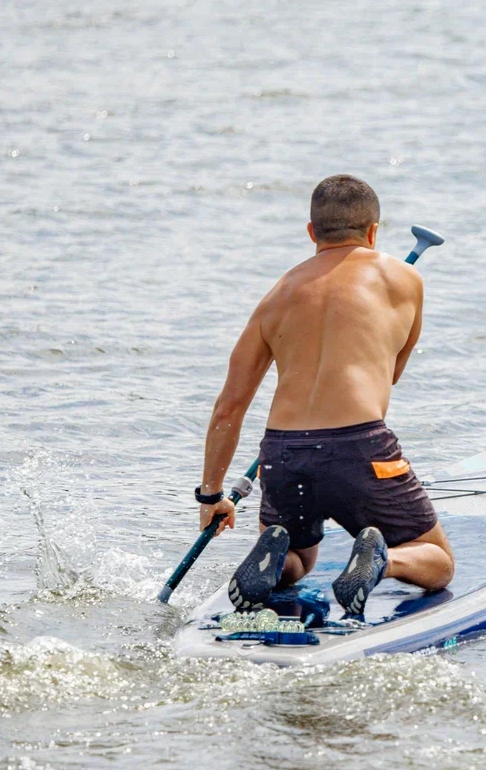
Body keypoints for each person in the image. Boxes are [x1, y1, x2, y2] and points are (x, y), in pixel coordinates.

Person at [193, 174, 453, 617]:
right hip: (359, 446)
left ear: (312, 233)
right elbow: (391, 374)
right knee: (437, 560)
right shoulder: (404, 278)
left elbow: (229, 406)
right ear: (374, 232)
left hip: (282, 450)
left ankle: (274, 558)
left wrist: (210, 496)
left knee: (300, 557)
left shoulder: (278, 294)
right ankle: (383, 560)